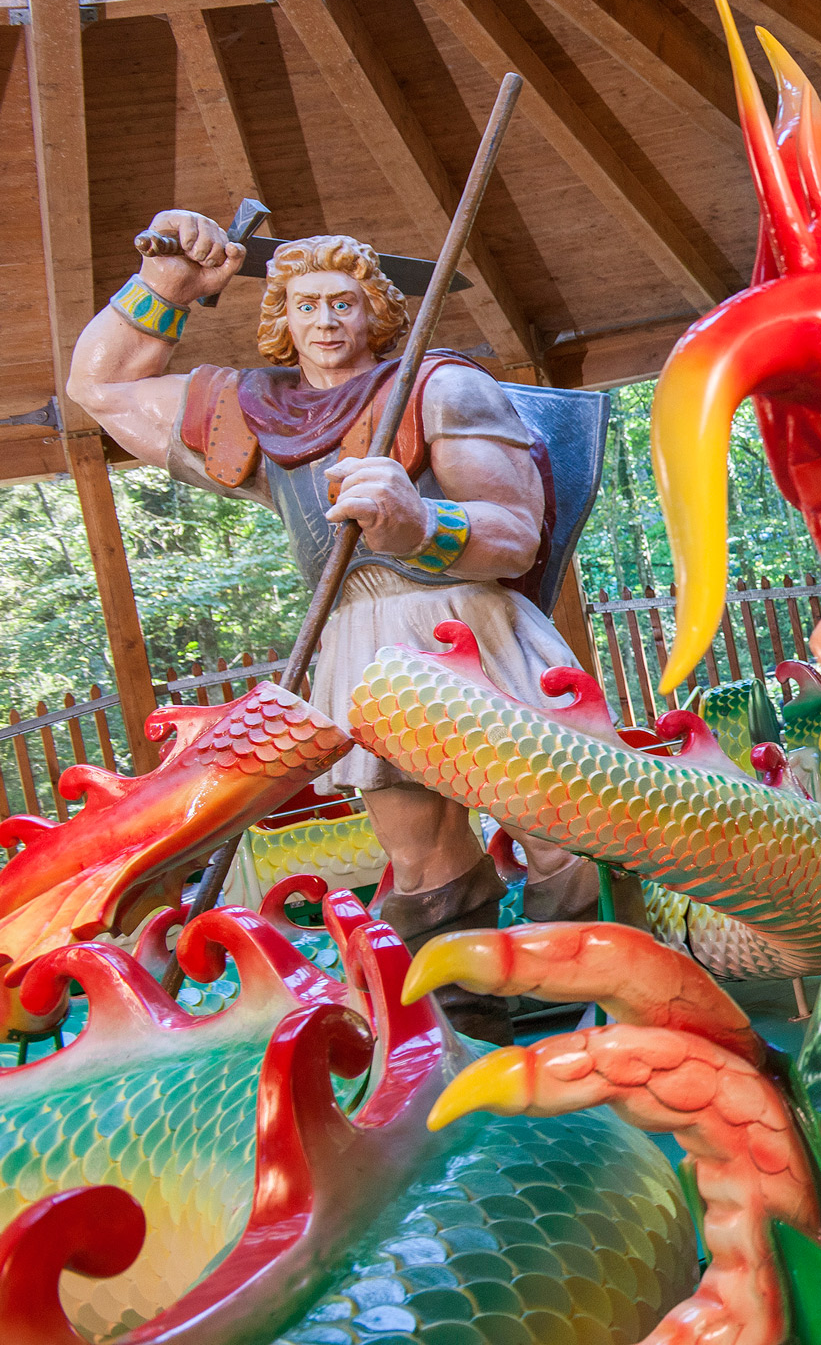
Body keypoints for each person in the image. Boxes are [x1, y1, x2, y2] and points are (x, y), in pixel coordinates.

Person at [66, 209, 600, 1042]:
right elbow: (100, 388)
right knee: (420, 851)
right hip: (358, 636)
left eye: (343, 303)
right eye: (307, 303)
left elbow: (514, 534)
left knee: (556, 824)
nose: (325, 321)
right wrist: (167, 280)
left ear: (374, 313)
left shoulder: (438, 387)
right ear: (281, 315)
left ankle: (593, 987)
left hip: (463, 622)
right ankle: (458, 1024)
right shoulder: (257, 412)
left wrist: (420, 521)